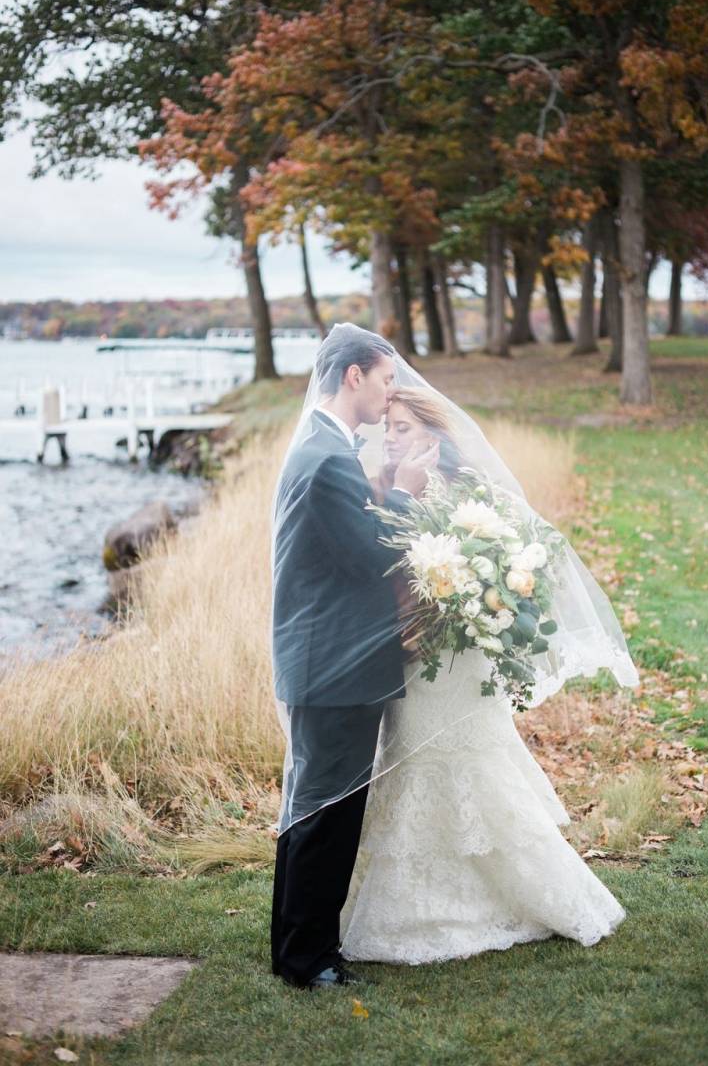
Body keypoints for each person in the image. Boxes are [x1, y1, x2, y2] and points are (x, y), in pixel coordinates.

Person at [340, 387, 634, 963]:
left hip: (460, 657)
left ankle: (533, 894)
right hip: (412, 658)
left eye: (402, 427)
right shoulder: (382, 488)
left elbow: (518, 560)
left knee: (475, 760)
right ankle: (422, 908)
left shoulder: (475, 493)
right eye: (388, 428)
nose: (391, 437)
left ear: (431, 434)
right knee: (417, 763)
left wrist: (480, 602)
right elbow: (372, 568)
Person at [269, 326, 438, 991]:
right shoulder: (326, 458)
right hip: (332, 665)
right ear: (354, 377)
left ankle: (298, 950)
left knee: (313, 809)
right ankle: (309, 960)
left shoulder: (325, 446)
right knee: (327, 814)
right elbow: (371, 553)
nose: (393, 391)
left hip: (326, 661)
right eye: (387, 378)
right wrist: (404, 491)